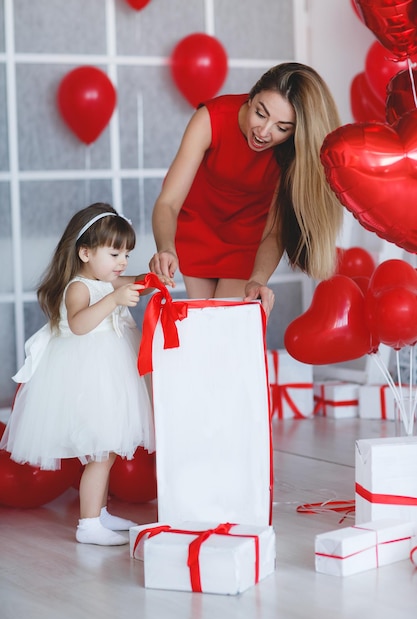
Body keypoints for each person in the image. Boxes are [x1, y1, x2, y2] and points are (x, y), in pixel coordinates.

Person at [0, 203, 174, 546]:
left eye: (126, 253)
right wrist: (115, 299)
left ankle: (100, 512)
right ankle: (88, 524)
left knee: (106, 450)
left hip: (111, 376)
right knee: (99, 451)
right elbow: (79, 325)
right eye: (114, 253)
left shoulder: (106, 279)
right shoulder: (79, 287)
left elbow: (136, 282)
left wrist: (152, 279)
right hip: (88, 378)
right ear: (85, 252)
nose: (122, 261)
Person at [149, 62, 344, 317]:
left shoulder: (292, 152)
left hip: (248, 240)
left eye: (282, 127)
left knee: (227, 325)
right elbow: (169, 202)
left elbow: (274, 233)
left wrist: (258, 278)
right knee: (206, 324)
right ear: (251, 98)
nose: (264, 132)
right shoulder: (210, 119)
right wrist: (166, 247)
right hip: (197, 229)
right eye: (261, 114)